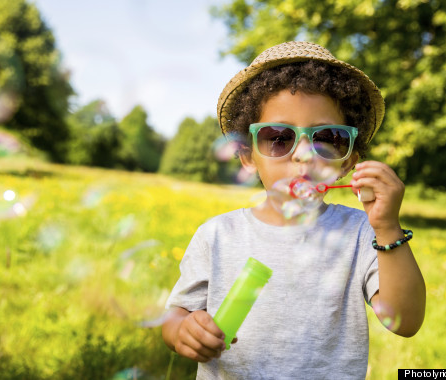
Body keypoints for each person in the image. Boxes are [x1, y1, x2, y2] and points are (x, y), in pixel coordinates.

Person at [161, 41, 426, 379]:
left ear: (348, 162)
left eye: (327, 138)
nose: (303, 155)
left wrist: (388, 228)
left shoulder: (361, 233)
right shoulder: (217, 235)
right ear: (247, 156)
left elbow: (406, 321)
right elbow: (176, 315)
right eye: (279, 138)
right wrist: (182, 330)